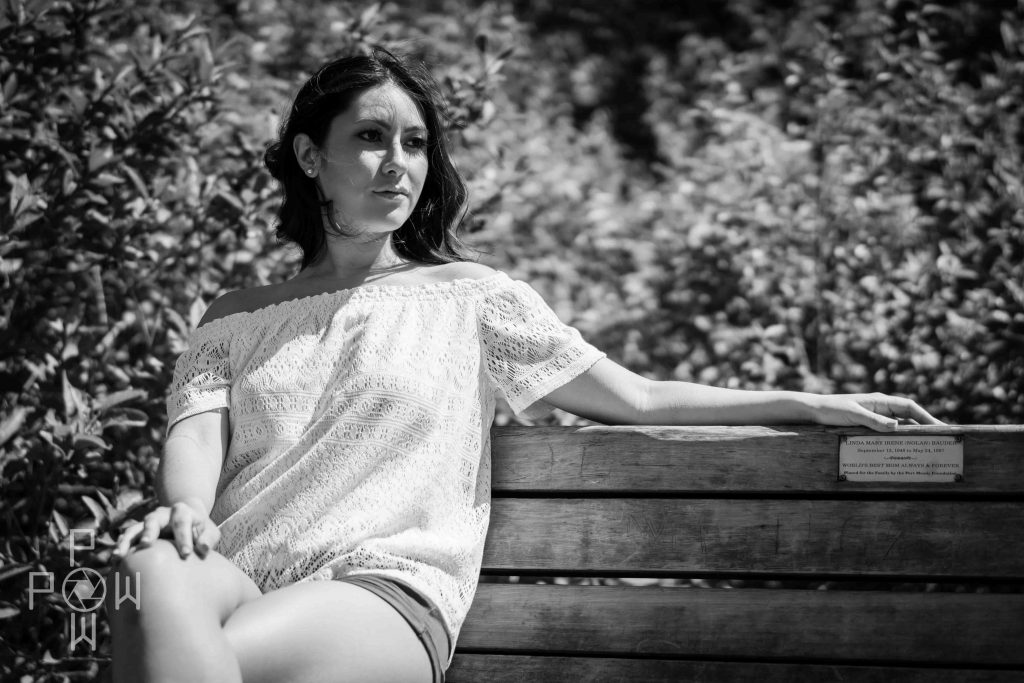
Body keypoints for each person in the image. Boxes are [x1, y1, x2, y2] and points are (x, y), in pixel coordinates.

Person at [106, 47, 942, 683]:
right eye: (369, 137)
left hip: (376, 593)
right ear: (308, 154)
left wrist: (811, 402)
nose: (398, 162)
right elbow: (197, 439)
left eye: (414, 143)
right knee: (146, 571)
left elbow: (638, 398)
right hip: (239, 571)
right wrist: (184, 512)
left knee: (176, 656)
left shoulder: (474, 299)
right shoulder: (236, 315)